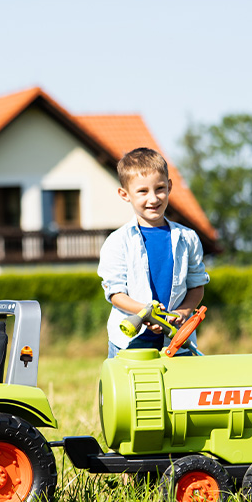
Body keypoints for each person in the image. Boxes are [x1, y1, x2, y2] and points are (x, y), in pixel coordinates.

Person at [97, 147, 209, 358]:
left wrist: (182, 312)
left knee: (177, 391)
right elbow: (115, 293)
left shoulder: (188, 238)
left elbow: (197, 287)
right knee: (129, 391)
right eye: (142, 191)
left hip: (178, 341)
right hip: (129, 342)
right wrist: (147, 313)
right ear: (125, 194)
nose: (153, 198)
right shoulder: (117, 242)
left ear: (169, 186)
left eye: (159, 188)